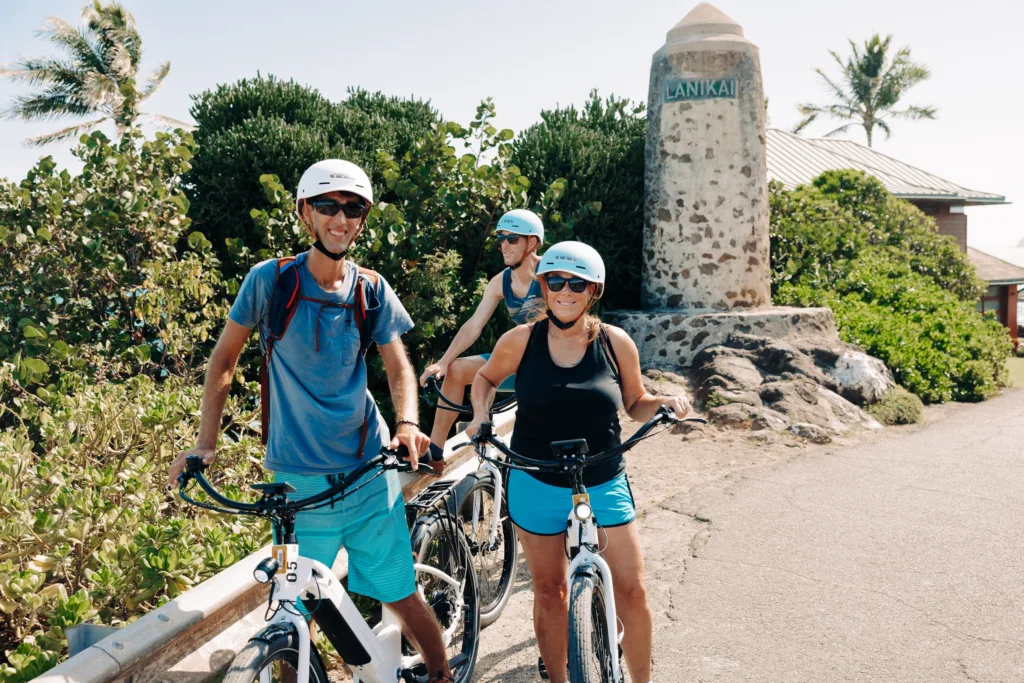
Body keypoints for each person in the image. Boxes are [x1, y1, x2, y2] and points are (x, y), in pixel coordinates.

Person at [167, 159, 455, 683]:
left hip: (368, 474)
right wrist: (205, 443)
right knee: (293, 609)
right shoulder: (272, 281)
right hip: (297, 485)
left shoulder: (371, 289)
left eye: (353, 209)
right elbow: (224, 360)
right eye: (327, 206)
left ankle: (442, 675)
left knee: (399, 592)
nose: (340, 219)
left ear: (362, 219)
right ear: (305, 213)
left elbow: (398, 367)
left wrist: (408, 424)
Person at [464, 241, 692, 683]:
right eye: (555, 281)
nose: (565, 291)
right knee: (550, 591)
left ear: (593, 291)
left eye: (577, 284)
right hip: (535, 478)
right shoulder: (520, 341)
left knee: (633, 590)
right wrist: (479, 416)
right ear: (543, 286)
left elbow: (636, 402)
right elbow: (485, 378)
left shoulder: (614, 342)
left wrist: (663, 403)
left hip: (603, 477)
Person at [418, 209, 545, 450]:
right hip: (521, 364)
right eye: (501, 238)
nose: (504, 245)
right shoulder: (500, 282)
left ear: (532, 242)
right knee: (457, 369)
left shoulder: (550, 275)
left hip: (552, 367)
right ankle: (435, 452)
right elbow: (474, 325)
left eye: (512, 238)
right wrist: (443, 363)